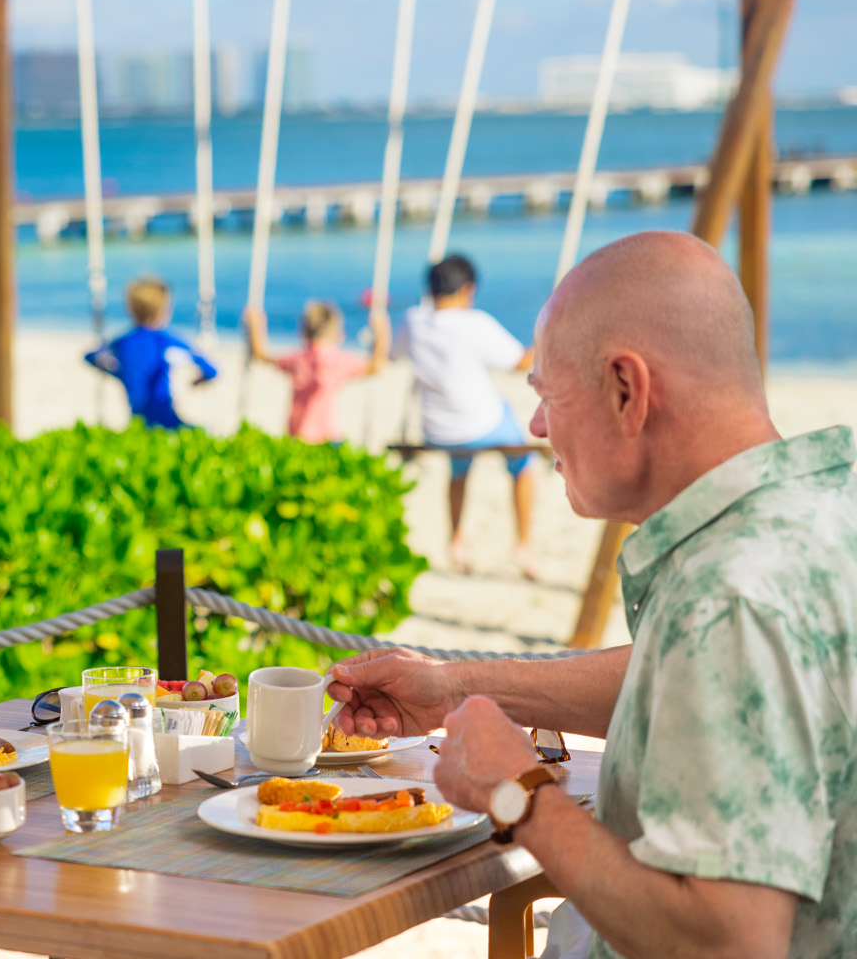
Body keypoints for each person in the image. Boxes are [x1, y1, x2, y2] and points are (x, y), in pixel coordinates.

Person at [330, 230, 857, 959]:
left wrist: (518, 793)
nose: (538, 425)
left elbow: (730, 945)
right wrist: (451, 688)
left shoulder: (730, 594)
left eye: (546, 393)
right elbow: (695, 684)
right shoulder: (821, 508)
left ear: (626, 389)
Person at [393, 253, 537, 576]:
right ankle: (523, 543)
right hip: (484, 426)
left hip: (440, 431)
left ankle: (456, 540)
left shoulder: (412, 321)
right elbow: (521, 363)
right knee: (523, 463)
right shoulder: (475, 323)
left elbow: (393, 354)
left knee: (459, 469)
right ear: (467, 290)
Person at [245, 300, 389, 444]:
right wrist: (382, 331)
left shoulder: (298, 360)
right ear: (337, 334)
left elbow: (261, 355)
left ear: (304, 332)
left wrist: (256, 324)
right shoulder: (337, 361)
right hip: (327, 436)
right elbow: (376, 367)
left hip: (296, 435)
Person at [84, 276, 217, 429]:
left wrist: (120, 373)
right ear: (163, 310)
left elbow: (91, 356)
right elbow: (211, 370)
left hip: (138, 422)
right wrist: (198, 381)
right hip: (167, 421)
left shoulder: (122, 342)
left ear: (131, 309)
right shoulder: (166, 341)